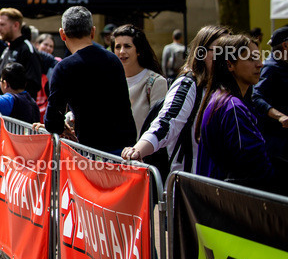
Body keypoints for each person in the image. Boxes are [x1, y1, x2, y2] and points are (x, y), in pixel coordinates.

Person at [123, 25, 230, 174]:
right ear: (201, 52)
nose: (225, 56)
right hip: (190, 183)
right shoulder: (188, 83)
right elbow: (166, 121)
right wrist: (138, 150)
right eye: (218, 50)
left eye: (230, 51)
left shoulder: (230, 86)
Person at [37, 6, 136, 155]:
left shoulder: (64, 68)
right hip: (122, 151)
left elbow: (52, 121)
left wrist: (61, 126)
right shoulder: (113, 60)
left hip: (90, 153)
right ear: (93, 32)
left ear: (62, 35)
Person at [196, 34, 274, 188]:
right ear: (230, 64)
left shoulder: (223, 99)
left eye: (258, 58)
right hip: (231, 202)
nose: (260, 64)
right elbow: (253, 166)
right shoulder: (233, 107)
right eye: (251, 59)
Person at [113, 24, 169, 134]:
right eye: (118, 47)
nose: (121, 51)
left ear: (138, 50)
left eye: (127, 46)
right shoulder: (110, 80)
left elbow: (159, 126)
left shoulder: (155, 82)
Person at [0, 8, 41, 102]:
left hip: (20, 112)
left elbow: (33, 84)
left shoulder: (27, 49)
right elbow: (4, 80)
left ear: (16, 25)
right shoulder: (7, 49)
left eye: (2, 24)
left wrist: (0, 88)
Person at [251, 25, 288, 164]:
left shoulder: (284, 64)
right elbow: (256, 97)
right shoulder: (270, 67)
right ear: (285, 45)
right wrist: (280, 116)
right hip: (276, 142)